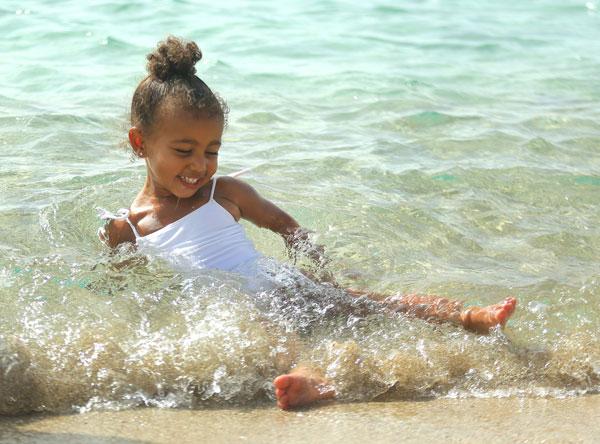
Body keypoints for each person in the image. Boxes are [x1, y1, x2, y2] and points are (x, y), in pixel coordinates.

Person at [99, 36, 517, 411]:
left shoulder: (223, 192)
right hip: (233, 306)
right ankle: (308, 374)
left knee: (371, 303)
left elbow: (285, 226)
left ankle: (467, 317)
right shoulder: (127, 229)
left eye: (212, 150)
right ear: (141, 143)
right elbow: (128, 292)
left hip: (280, 281)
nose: (199, 165)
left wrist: (318, 267)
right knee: (268, 327)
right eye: (184, 150)